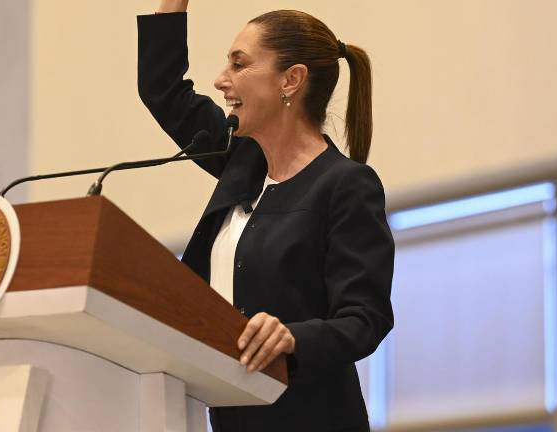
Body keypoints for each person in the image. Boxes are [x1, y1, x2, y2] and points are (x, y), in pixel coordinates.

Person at [138, 1, 394, 430]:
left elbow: (365, 318)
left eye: (239, 64)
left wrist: (292, 337)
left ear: (290, 80)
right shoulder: (241, 161)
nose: (221, 80)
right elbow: (162, 88)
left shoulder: (346, 185)